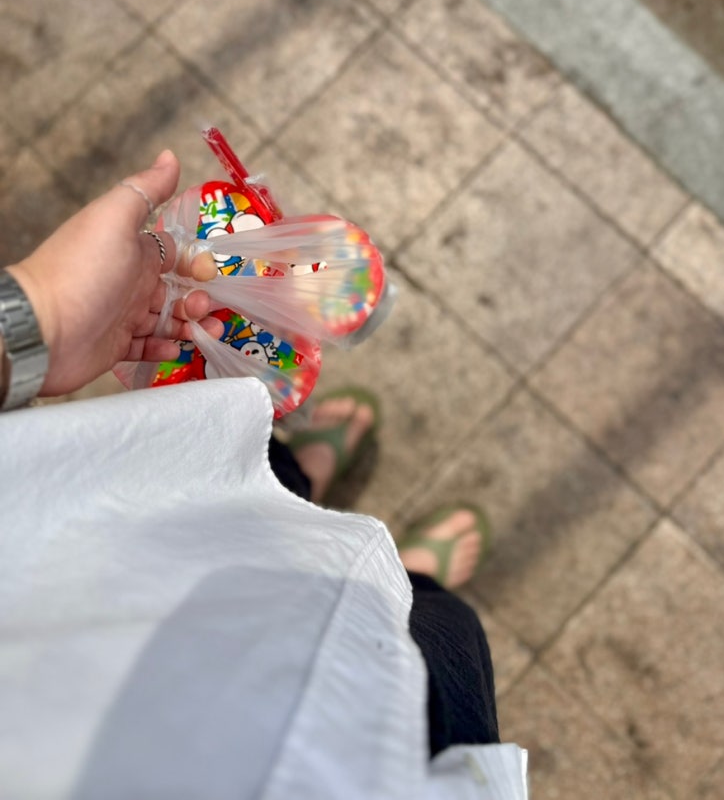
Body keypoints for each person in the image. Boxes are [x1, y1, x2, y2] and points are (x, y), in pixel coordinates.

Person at [0, 152, 528, 798]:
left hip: (78, 562)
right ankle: (406, 577)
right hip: (357, 749)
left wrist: (43, 317)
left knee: (219, 478)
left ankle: (304, 473)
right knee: (432, 633)